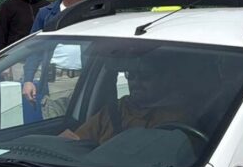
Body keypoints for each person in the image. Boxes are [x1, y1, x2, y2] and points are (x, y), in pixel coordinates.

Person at [61, 57, 190, 143]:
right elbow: (74, 142)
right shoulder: (115, 109)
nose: (136, 82)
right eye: (131, 76)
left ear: (166, 79)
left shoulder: (178, 118)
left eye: (145, 76)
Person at [22, 0, 89, 117]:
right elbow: (34, 49)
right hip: (54, 83)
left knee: (88, 128)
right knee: (55, 129)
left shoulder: (93, 12)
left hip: (86, 80)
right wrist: (28, 80)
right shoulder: (46, 14)